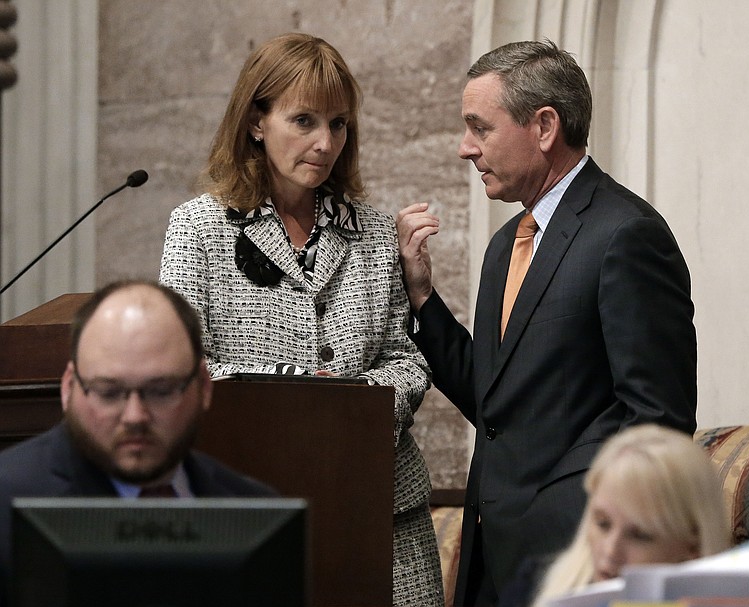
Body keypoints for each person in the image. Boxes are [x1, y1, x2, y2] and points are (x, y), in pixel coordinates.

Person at [396, 39, 697, 606]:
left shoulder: (627, 235)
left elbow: (657, 418)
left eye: (479, 128)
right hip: (489, 565)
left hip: (575, 563)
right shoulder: (504, 244)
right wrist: (422, 297)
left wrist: (553, 515)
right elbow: (495, 402)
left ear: (543, 126)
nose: (465, 148)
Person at [158, 33, 443, 606]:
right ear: (256, 122)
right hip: (254, 515)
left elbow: (404, 360)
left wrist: (355, 406)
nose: (324, 142)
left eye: (338, 124)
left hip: (382, 512)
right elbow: (183, 367)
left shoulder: (372, 229)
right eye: (304, 120)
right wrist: (296, 403)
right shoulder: (199, 228)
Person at [0, 280, 276, 602]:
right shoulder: (6, 504)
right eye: (108, 392)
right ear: (69, 388)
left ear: (204, 386)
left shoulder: (249, 512)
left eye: (161, 390)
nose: (135, 416)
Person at [528, 424, 730, 607]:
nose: (610, 551)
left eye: (640, 535)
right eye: (602, 524)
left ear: (693, 546)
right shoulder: (532, 584)